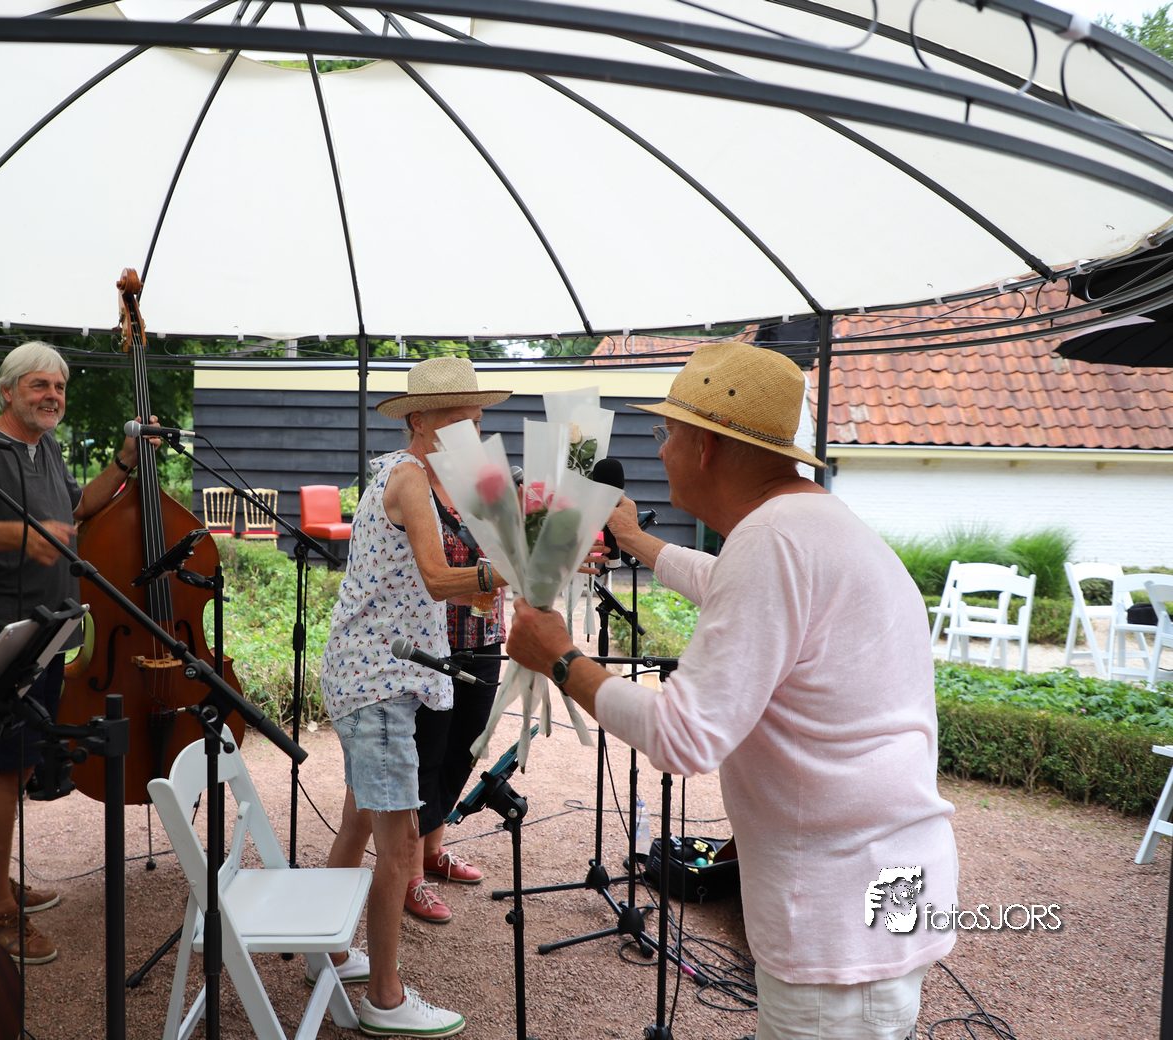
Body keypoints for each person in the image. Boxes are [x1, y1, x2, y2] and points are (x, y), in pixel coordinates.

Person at [507, 340, 959, 1040]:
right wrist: (637, 542)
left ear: (708, 447)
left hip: (837, 926)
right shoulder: (811, 526)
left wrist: (561, 659)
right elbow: (728, 585)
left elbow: (684, 737)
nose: (661, 452)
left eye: (668, 434)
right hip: (878, 895)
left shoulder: (772, 541)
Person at [0, 341, 140, 965]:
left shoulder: (46, 447)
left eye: (60, 387)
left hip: (48, 634)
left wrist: (124, 462)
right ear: (8, 391)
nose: (52, 396)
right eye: (39, 385)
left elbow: (74, 508)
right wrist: (20, 534)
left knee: (13, 765)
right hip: (3, 639)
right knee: (7, 763)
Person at [320, 356, 510, 1038]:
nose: (473, 431)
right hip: (378, 679)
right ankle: (385, 998)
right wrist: (512, 569)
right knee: (399, 843)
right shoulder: (408, 477)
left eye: (477, 419)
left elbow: (447, 581)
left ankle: (327, 952)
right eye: (461, 419)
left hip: (375, 673)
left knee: (358, 824)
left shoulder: (423, 478)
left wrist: (501, 569)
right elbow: (437, 578)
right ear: (421, 421)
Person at [404, 482, 505, 925]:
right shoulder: (417, 489)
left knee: (466, 746)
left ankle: (432, 850)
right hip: (434, 642)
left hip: (486, 634)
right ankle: (410, 873)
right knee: (426, 754)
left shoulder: (491, 489)